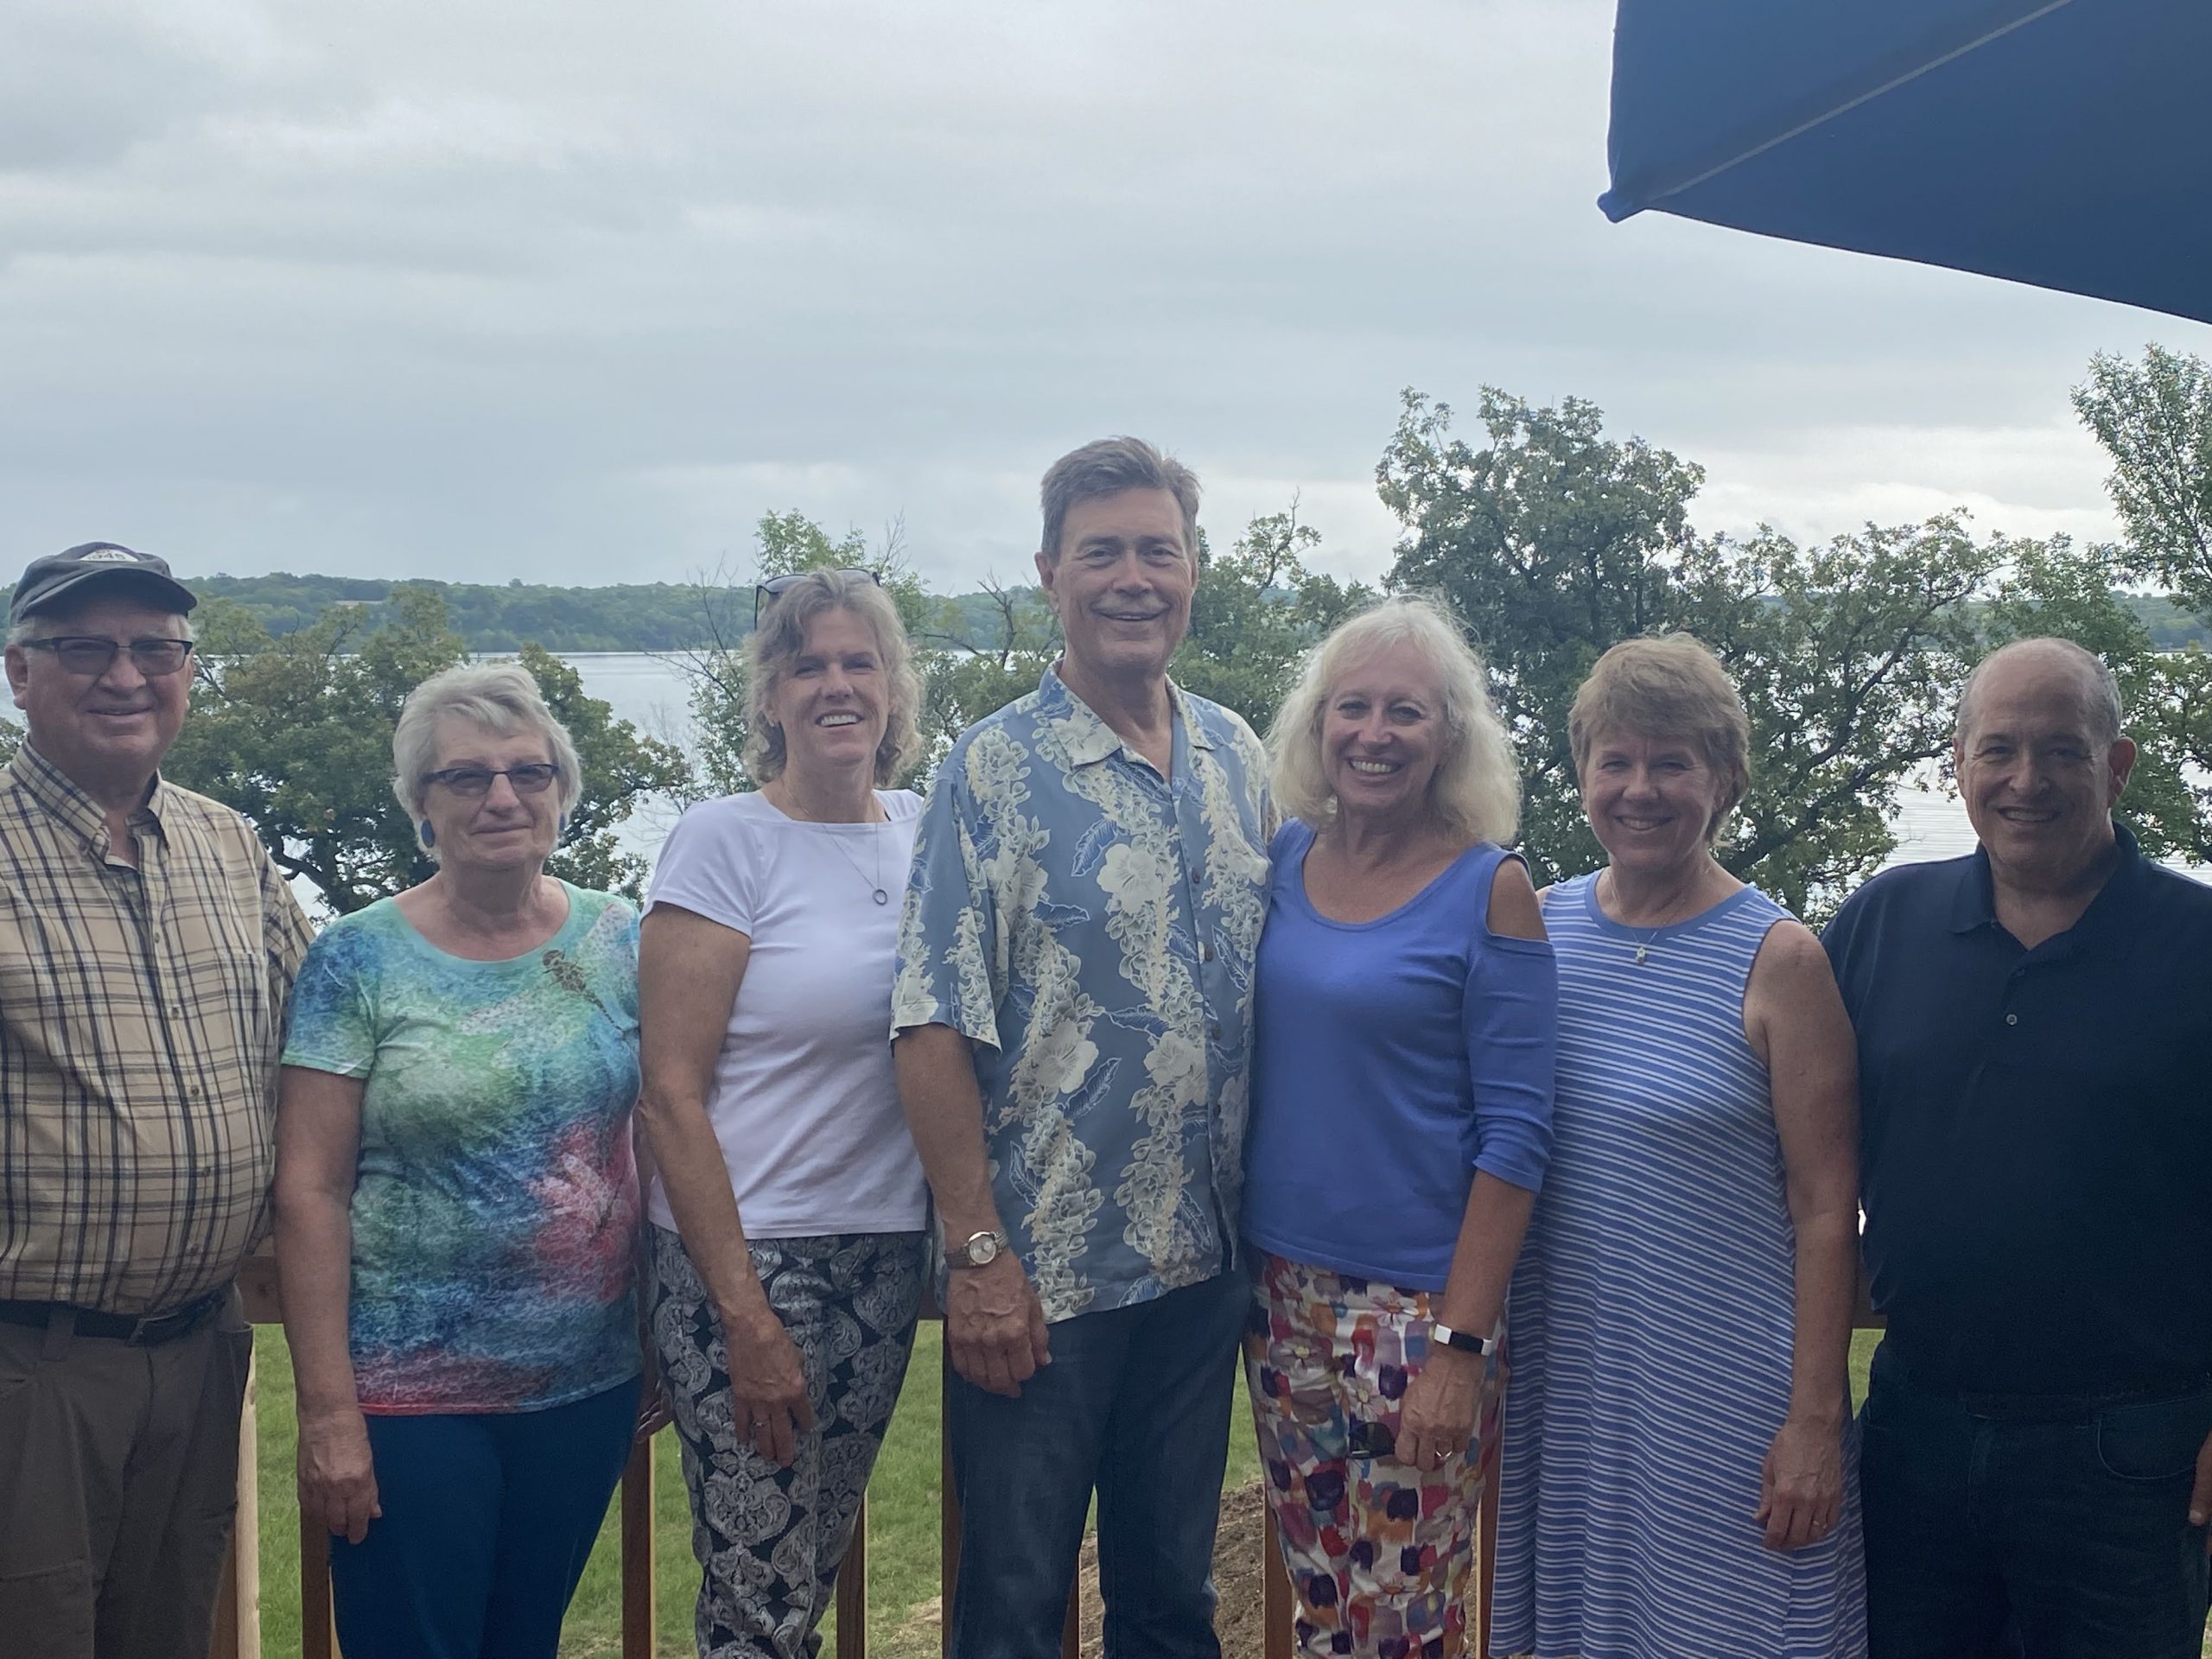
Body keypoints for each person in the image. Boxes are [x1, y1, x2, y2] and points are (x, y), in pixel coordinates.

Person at [893, 436, 1271, 1659]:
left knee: (1171, 1603)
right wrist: (981, 1254)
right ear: (1050, 572)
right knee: (1012, 1608)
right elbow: (932, 1024)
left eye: (1157, 550)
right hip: (1044, 1282)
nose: (1132, 577)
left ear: (1192, 572)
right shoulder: (991, 768)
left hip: (1203, 1269)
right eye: (1101, 551)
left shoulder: (1237, 755)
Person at [1823, 636, 2212, 1659]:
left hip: (2132, 1451)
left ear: (2117, 764)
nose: (2024, 781)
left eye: (2061, 751)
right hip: (1915, 1424)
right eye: (1996, 750)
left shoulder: (2196, 945)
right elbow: (1778, 1135)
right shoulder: (1880, 924)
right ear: (1956, 764)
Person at [1491, 633, 1866, 1659]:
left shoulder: (1779, 958)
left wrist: (1813, 1425)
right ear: (1581, 778)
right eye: (1615, 761)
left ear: (1725, 778)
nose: (1640, 789)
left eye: (1673, 763)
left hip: (1724, 1406)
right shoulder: (1538, 927)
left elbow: (1828, 1209)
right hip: (1561, 1400)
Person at [275, 663, 647, 1659]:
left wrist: (668, 1324)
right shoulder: (357, 957)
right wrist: (328, 1413)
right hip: (409, 1400)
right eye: (465, 778)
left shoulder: (621, 936)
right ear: (420, 806)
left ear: (563, 791)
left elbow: (661, 1127)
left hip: (584, 1387)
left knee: (525, 1642)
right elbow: (310, 1188)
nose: (502, 798)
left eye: (529, 772)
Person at [0, 543, 314, 1659]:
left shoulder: (229, 850)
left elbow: (318, 1065)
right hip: (32, 1368)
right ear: (19, 672)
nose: (125, 675)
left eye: (156, 649)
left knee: (172, 1636)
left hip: (201, 1349)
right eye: (85, 647)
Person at [1242, 596, 1554, 1659]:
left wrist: (1460, 1349)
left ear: (1449, 738)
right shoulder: (1282, 862)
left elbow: (1516, 1137)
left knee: (1403, 1624)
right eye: (1353, 708)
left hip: (1417, 1314)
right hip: (1279, 1298)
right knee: (1327, 1605)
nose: (1374, 735)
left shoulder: (1490, 887)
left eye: (1406, 714)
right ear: (1318, 726)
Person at [637, 568, 931, 1659]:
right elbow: (669, 1093)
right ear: (768, 698)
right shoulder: (725, 843)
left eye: (861, 663)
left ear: (895, 690)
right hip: (752, 1257)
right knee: (757, 1593)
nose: (836, 686)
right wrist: (743, 1314)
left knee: (805, 1568)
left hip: (886, 1252)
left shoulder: (923, 830)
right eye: (807, 665)